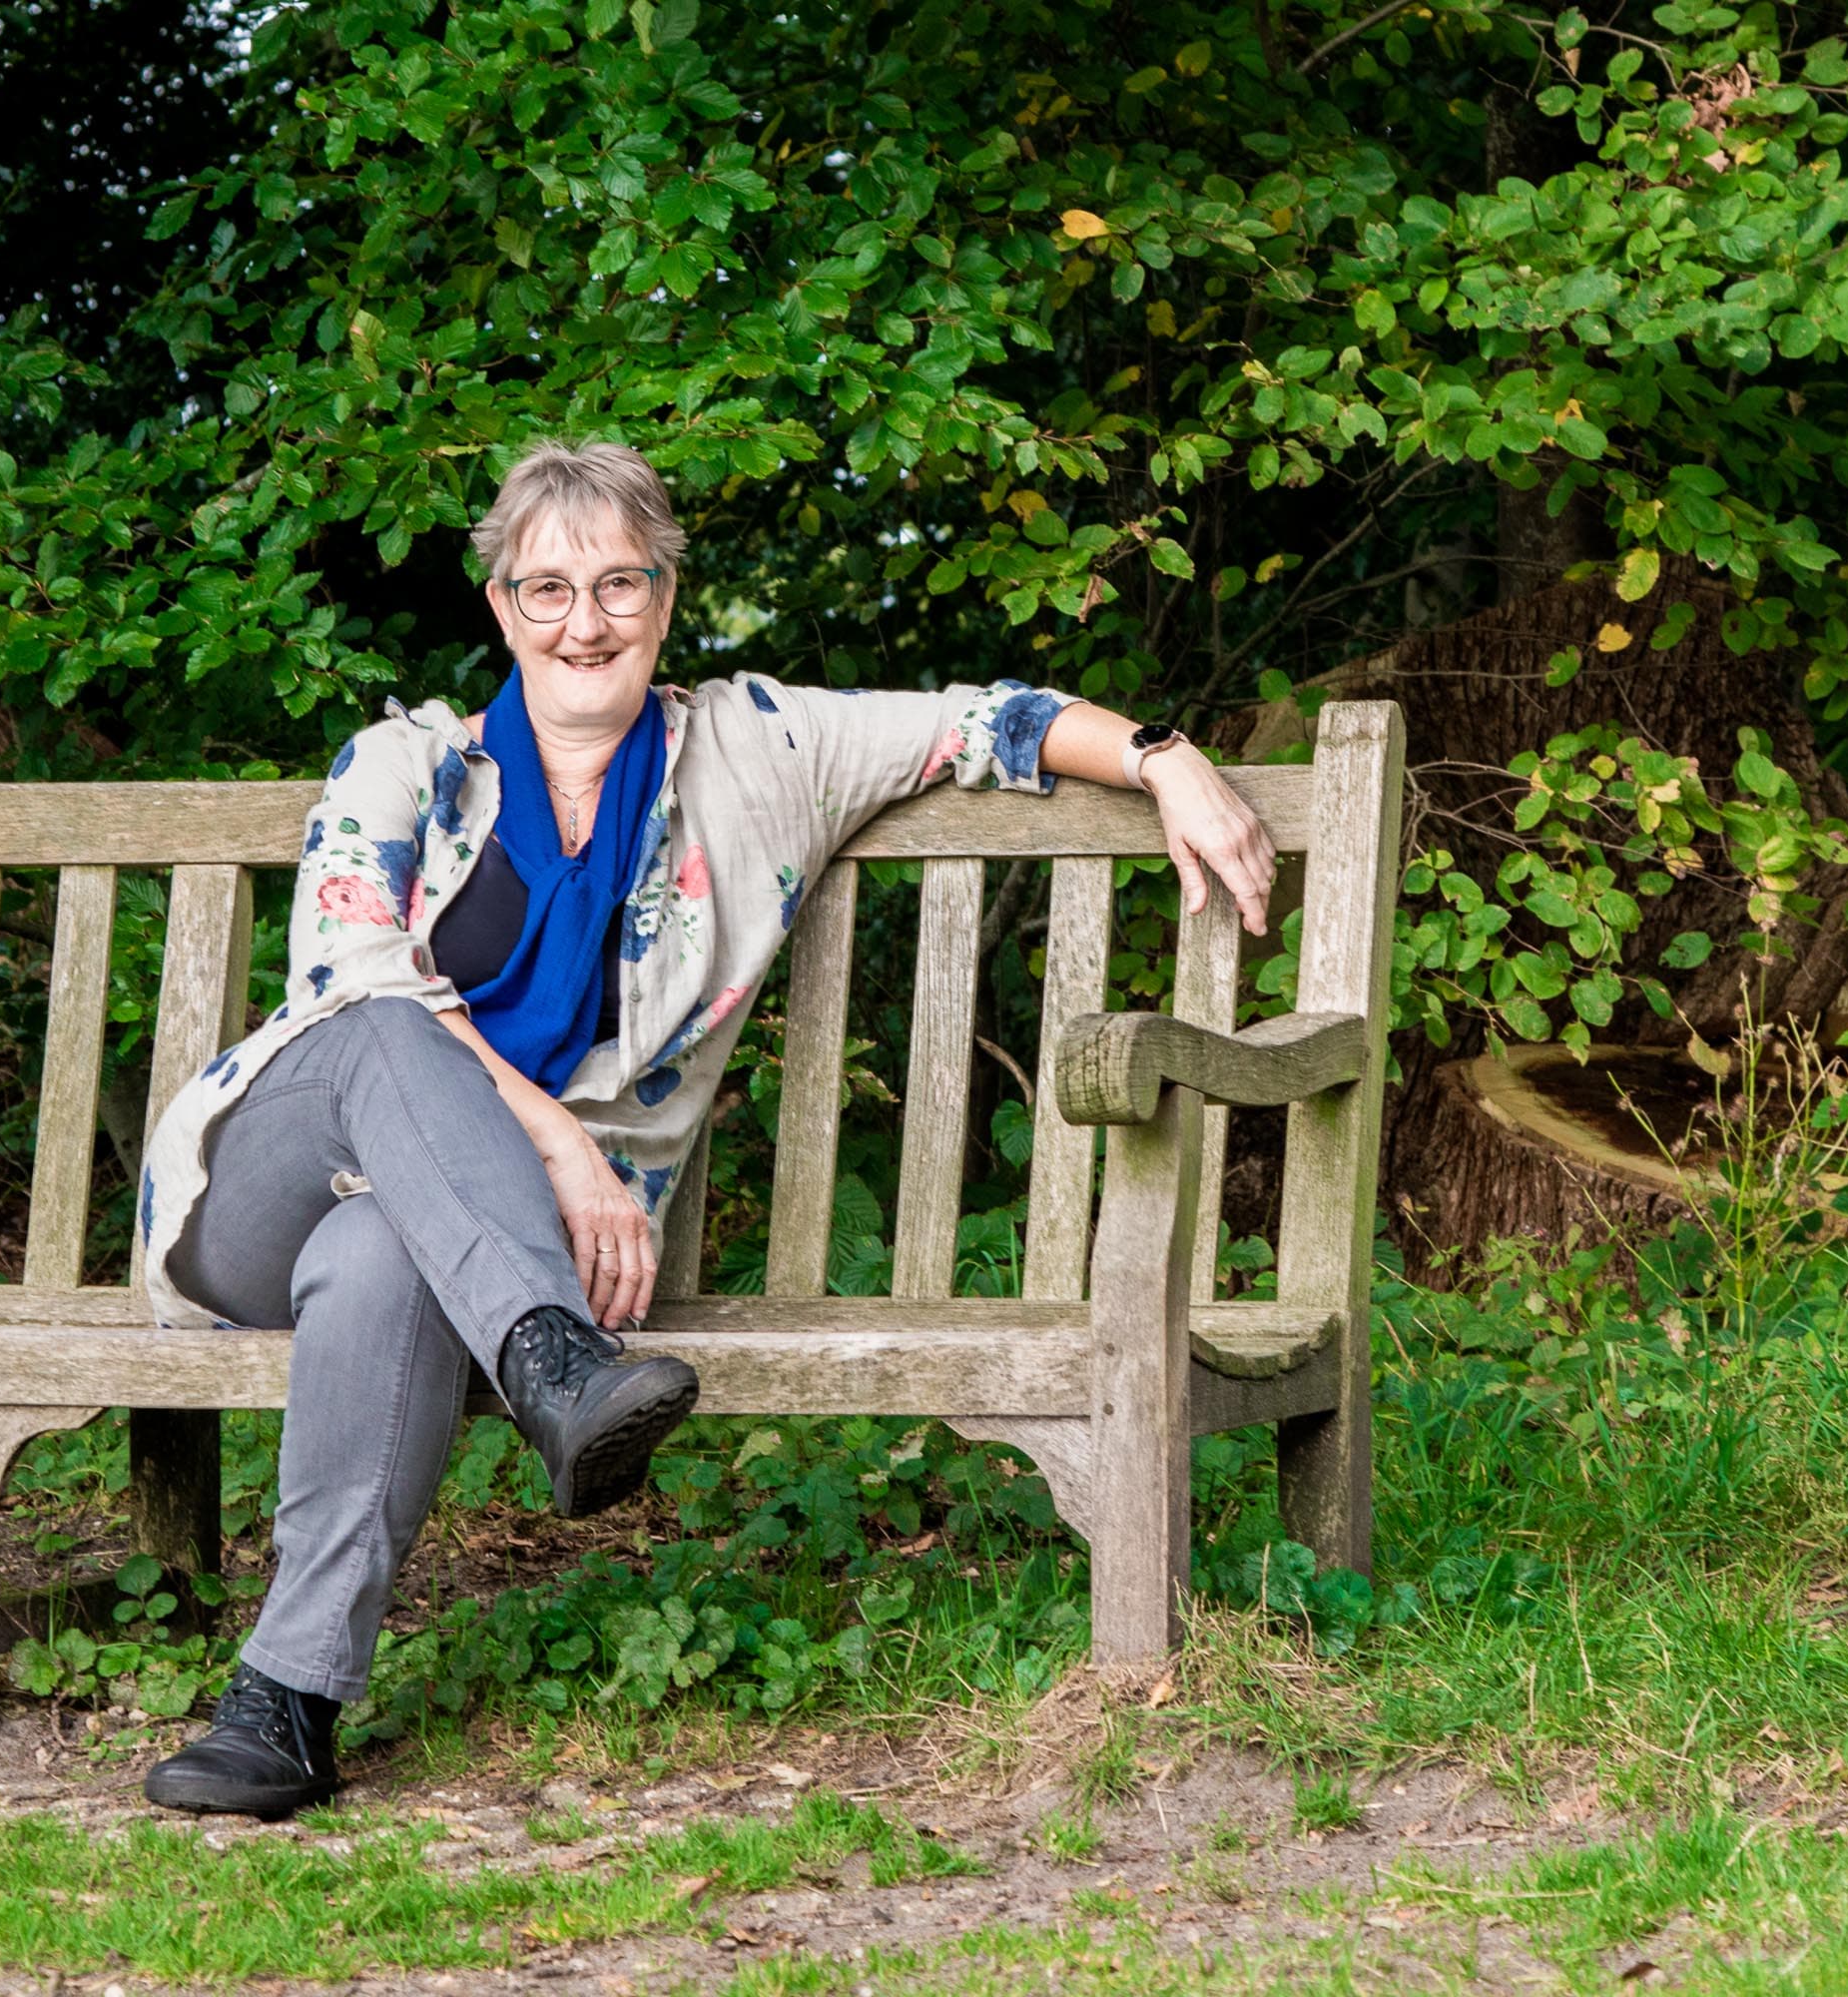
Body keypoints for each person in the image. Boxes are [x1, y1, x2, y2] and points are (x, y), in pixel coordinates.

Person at [132, 440, 1277, 1817]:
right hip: (274, 1184)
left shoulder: (755, 753)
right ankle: (553, 1364)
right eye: (546, 590)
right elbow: (347, 978)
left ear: (667, 598)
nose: (584, 621)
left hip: (467, 1245)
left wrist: (1166, 759)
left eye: (619, 583)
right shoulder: (402, 766)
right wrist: (563, 1147)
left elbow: (985, 722)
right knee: (386, 1029)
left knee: (390, 1255)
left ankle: (287, 1704)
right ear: (500, 608)